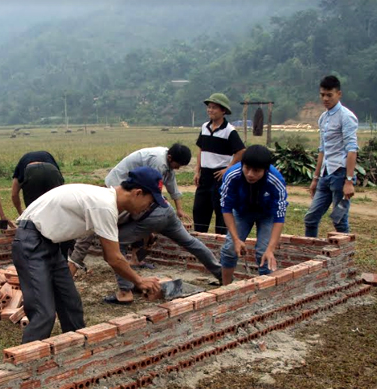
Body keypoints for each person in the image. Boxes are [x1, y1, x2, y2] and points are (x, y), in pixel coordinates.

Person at [13, 167, 164, 343]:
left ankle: (76, 350)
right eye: (150, 201)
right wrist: (139, 281)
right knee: (43, 312)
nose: (148, 208)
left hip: (49, 244)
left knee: (71, 304)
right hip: (30, 241)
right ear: (138, 193)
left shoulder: (105, 201)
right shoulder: (104, 205)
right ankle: (27, 366)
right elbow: (113, 257)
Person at [68, 143, 223, 304]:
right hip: (165, 209)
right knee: (190, 242)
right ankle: (222, 274)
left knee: (116, 243)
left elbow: (89, 237)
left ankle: (125, 291)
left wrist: (74, 262)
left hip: (152, 214)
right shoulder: (150, 170)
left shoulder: (112, 204)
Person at [220, 145, 288, 285]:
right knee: (230, 248)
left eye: (256, 171)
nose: (250, 174)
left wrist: (271, 248)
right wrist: (236, 239)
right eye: (247, 168)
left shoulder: (276, 181)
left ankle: (268, 290)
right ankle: (225, 288)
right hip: (241, 212)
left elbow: (279, 217)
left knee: (264, 252)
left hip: (267, 214)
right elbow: (226, 208)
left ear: (265, 170)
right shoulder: (232, 175)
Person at [304, 75, 359, 237]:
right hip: (325, 175)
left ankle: (345, 259)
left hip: (340, 174)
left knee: (339, 220)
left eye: (329, 95)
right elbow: (323, 149)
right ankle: (310, 255)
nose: (325, 99)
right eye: (322, 95)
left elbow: (352, 150)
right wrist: (315, 178)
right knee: (311, 218)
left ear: (339, 94)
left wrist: (349, 181)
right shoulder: (323, 118)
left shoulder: (346, 117)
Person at [193, 93, 246, 235]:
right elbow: (201, 149)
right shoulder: (205, 127)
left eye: (214, 107)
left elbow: (241, 151)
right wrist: (197, 170)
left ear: (223, 111)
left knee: (221, 211)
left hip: (220, 176)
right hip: (205, 175)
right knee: (200, 209)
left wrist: (228, 169)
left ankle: (220, 241)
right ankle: (200, 240)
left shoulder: (229, 131)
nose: (210, 110)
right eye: (209, 107)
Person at [11, 150, 64, 215]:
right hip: (51, 170)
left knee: (33, 209)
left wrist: (21, 214)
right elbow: (61, 189)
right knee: (54, 201)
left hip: (32, 171)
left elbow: (14, 194)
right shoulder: (47, 155)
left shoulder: (21, 165)